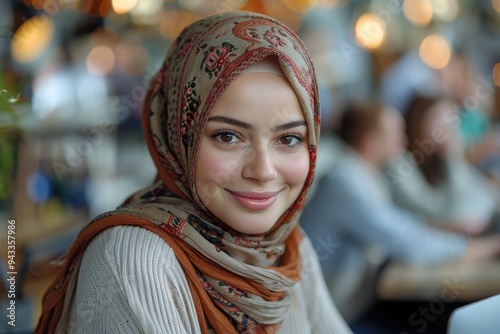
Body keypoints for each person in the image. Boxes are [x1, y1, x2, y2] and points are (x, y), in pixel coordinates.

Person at [35, 11, 352, 334]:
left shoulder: (287, 247)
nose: (263, 170)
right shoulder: (135, 259)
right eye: (227, 136)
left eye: (289, 139)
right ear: (176, 136)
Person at [300, 101, 500, 321]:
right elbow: (406, 241)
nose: (404, 140)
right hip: (335, 318)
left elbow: (398, 222)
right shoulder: (345, 181)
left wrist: (449, 229)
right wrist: (480, 248)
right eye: (396, 133)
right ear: (370, 144)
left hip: (349, 306)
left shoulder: (363, 173)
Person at [386, 95, 498, 234]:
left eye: (451, 120)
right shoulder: (398, 163)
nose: (446, 128)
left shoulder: (437, 159)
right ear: (418, 120)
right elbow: (438, 209)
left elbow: (477, 191)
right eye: (438, 118)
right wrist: (451, 157)